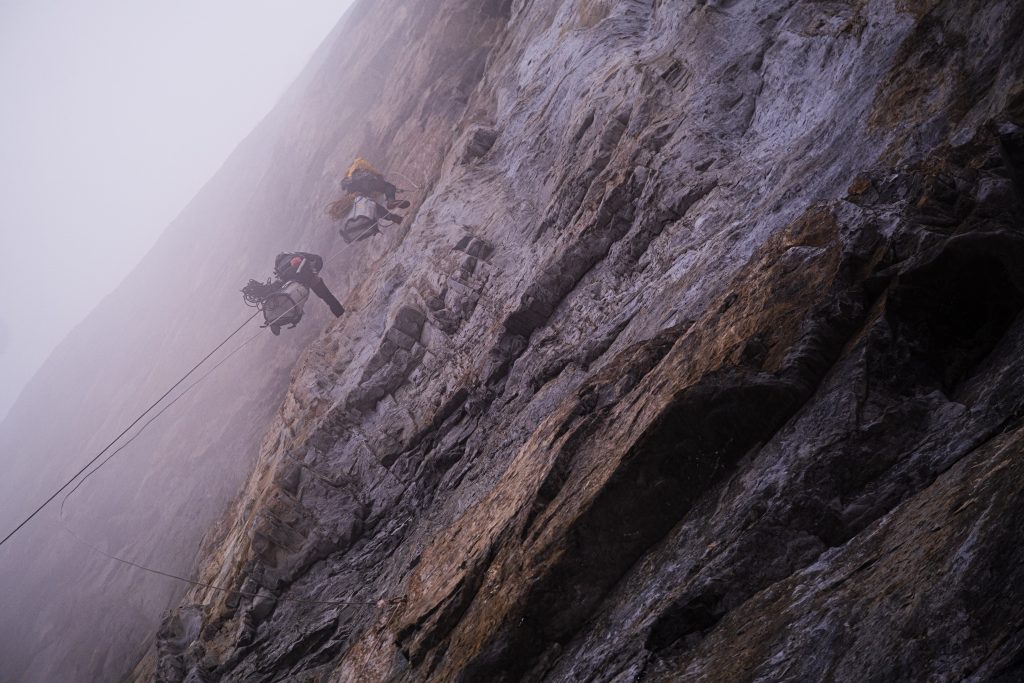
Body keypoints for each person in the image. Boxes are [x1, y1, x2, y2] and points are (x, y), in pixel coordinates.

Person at [273, 252, 344, 330]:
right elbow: (317, 258)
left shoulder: (279, 268)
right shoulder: (294, 254)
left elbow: (281, 284)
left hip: (296, 289)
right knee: (328, 298)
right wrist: (314, 271)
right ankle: (342, 314)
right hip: (311, 278)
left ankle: (297, 316)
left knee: (296, 307)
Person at [340, 157, 411, 210]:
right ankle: (391, 201)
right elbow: (370, 168)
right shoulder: (357, 162)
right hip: (367, 183)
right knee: (388, 186)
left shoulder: (347, 179)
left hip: (363, 193)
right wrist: (378, 175)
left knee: (380, 190)